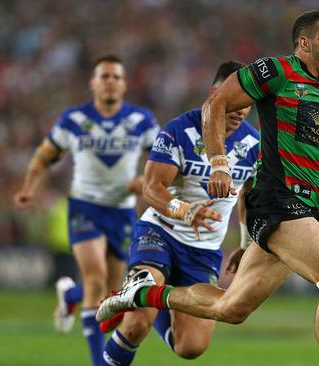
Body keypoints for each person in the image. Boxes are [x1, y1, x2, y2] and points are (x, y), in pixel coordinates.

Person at [97, 10, 319, 366]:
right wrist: (218, 163)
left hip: (303, 209)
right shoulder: (275, 72)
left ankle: (144, 293)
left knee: (230, 307)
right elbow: (216, 103)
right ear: (304, 43)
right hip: (275, 201)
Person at [99, 61, 259, 365]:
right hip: (160, 233)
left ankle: (142, 297)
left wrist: (245, 244)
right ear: (216, 93)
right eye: (236, 100)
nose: (240, 110)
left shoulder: (253, 145)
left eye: (248, 103)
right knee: (136, 325)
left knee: (191, 347)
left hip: (203, 250)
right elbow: (152, 187)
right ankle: (141, 299)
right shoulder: (179, 130)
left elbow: (249, 198)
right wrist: (184, 211)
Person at [13, 55, 159, 366]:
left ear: (124, 84)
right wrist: (29, 187)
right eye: (104, 76)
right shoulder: (74, 119)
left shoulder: (141, 120)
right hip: (85, 207)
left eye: (116, 77)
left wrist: (144, 179)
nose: (110, 81)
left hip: (121, 212)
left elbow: (164, 162)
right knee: (95, 281)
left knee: (112, 292)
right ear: (93, 83)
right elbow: (46, 154)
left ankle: (69, 297)